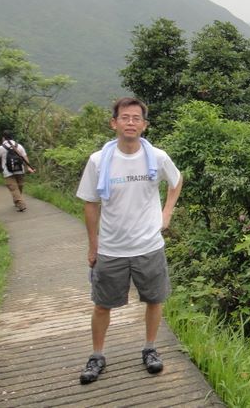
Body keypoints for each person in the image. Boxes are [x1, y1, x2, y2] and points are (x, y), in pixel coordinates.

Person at [75, 97, 183, 385]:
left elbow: (176, 181)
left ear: (144, 125)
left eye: (136, 118)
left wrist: (166, 213)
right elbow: (90, 204)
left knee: (154, 300)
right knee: (102, 304)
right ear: (114, 123)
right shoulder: (98, 161)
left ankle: (150, 348)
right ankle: (97, 355)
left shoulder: (157, 157)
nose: (131, 122)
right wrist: (93, 245)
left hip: (149, 245)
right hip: (111, 248)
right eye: (125, 117)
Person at [0, 130, 35, 212]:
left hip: (8, 172)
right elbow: (25, 157)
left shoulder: (1, 147)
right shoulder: (19, 146)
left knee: (14, 188)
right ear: (12, 137)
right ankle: (18, 202)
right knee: (19, 187)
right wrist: (28, 167)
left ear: (3, 138)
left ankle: (21, 204)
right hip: (20, 170)